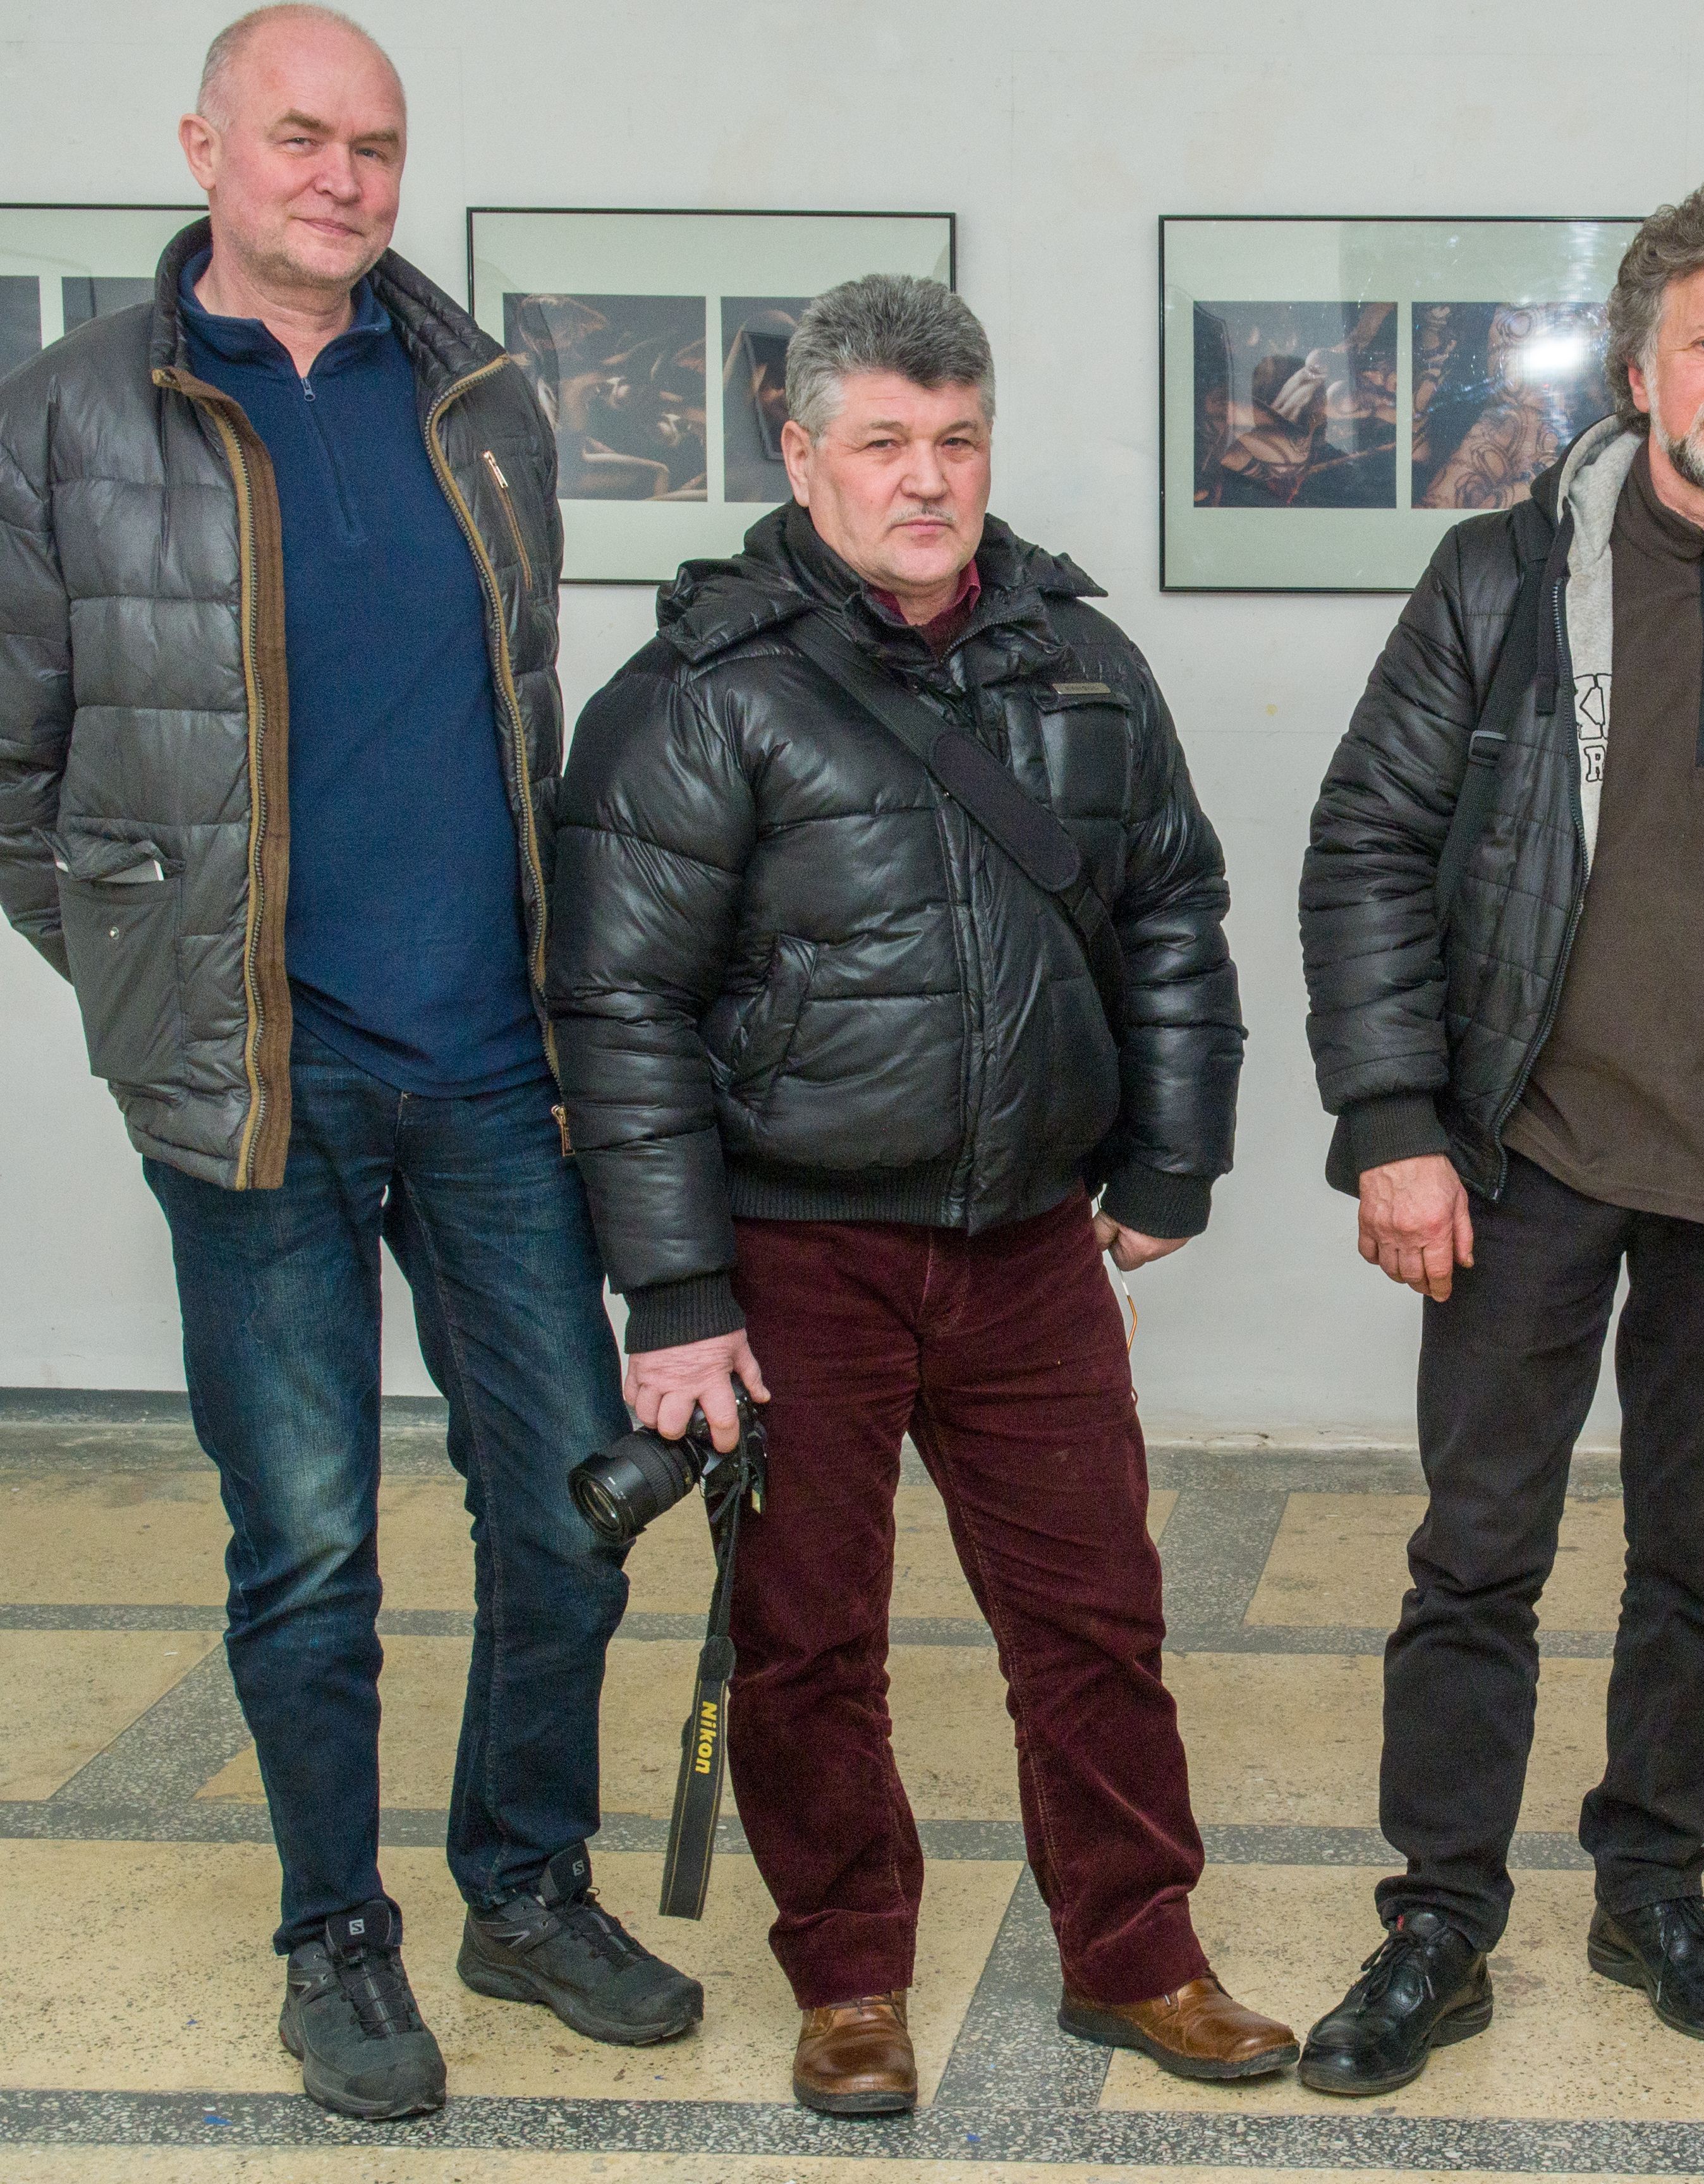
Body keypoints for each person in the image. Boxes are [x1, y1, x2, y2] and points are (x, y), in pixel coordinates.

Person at [0, 4, 697, 2123]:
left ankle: (525, 1889)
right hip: (257, 1092)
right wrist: (159, 985)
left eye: (374, 145)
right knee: (306, 1541)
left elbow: (524, 714)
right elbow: (14, 776)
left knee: (572, 1507)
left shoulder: (482, 401)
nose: (342, 177)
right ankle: (336, 1938)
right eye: (300, 135)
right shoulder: (66, 417)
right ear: (203, 144)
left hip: (490, 1067)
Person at [548, 274, 1293, 2118]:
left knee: (1096, 1618)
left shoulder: (1079, 662)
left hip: (1030, 1242)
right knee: (810, 1644)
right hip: (794, 1250)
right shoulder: (699, 694)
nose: (927, 478)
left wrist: (1172, 1153)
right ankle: (850, 1976)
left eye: (956, 440)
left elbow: (1172, 912)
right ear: (801, 454)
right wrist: (676, 1298)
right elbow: (617, 1008)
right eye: (883, 441)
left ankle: (1139, 1953)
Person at [1294, 174, 1704, 2094]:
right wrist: (1395, 1119)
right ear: (1643, 365)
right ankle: (1439, 1921)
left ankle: (1652, 1886)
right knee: (1476, 1558)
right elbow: (1368, 841)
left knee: (1702, 1571)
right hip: (1525, 1161)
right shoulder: (1499, 578)